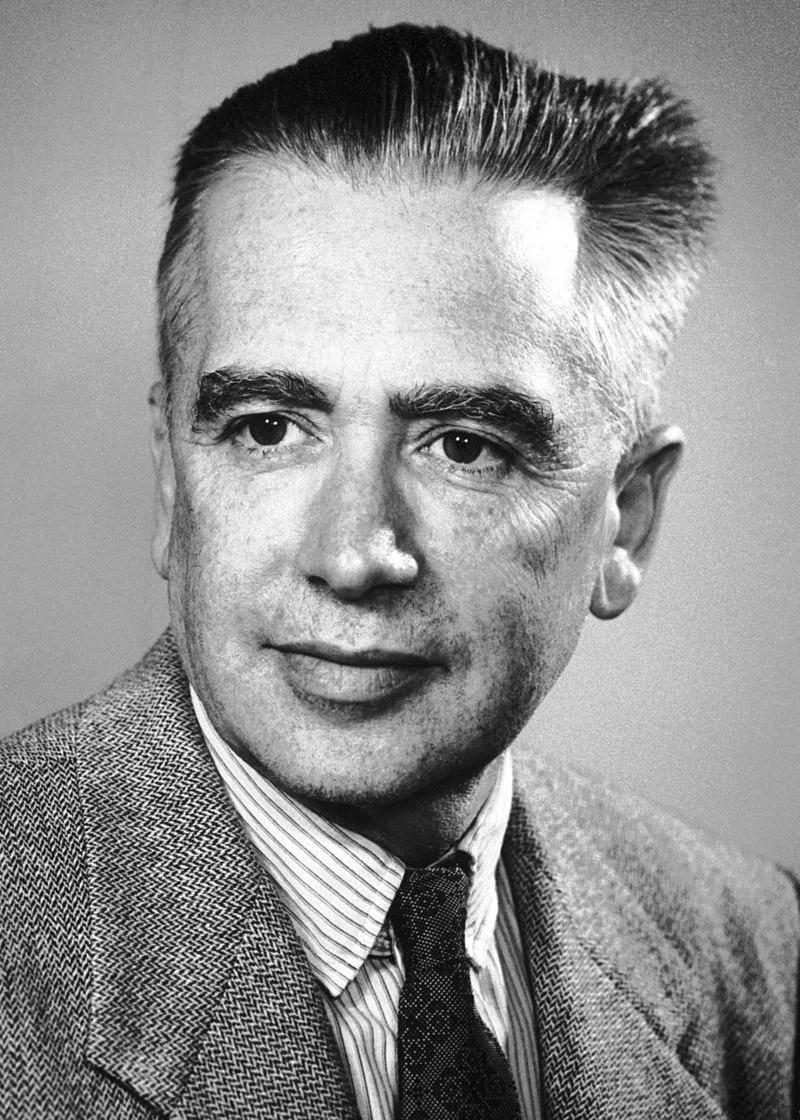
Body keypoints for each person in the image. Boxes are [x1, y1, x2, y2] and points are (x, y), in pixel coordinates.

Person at [1, 22, 797, 1120]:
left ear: (625, 521)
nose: (352, 554)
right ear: (173, 483)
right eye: (268, 427)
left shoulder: (754, 945)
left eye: (463, 445)